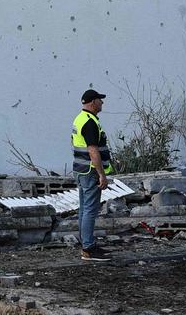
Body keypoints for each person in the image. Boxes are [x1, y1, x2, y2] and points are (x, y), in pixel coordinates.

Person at [73, 88, 114, 262]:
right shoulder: (90, 122)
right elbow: (93, 151)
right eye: (100, 100)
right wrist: (102, 175)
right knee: (90, 210)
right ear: (92, 102)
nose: (102, 103)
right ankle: (88, 248)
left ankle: (86, 245)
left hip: (81, 171)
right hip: (90, 172)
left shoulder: (80, 119)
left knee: (84, 209)